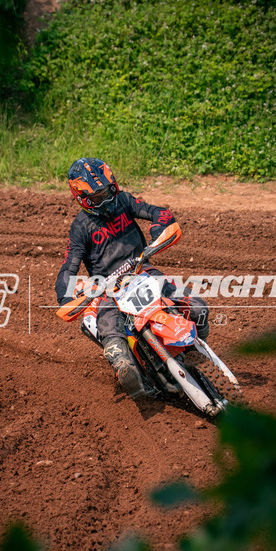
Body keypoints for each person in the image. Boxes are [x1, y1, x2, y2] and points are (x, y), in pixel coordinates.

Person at [55, 157, 209, 399]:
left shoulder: (123, 201)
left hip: (142, 270)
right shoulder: (81, 227)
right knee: (111, 334)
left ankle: (194, 351)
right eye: (97, 197)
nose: (106, 200)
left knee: (198, 308)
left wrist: (158, 229)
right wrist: (66, 299)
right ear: (82, 198)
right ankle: (128, 370)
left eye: (107, 192)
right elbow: (68, 267)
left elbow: (158, 212)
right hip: (109, 289)